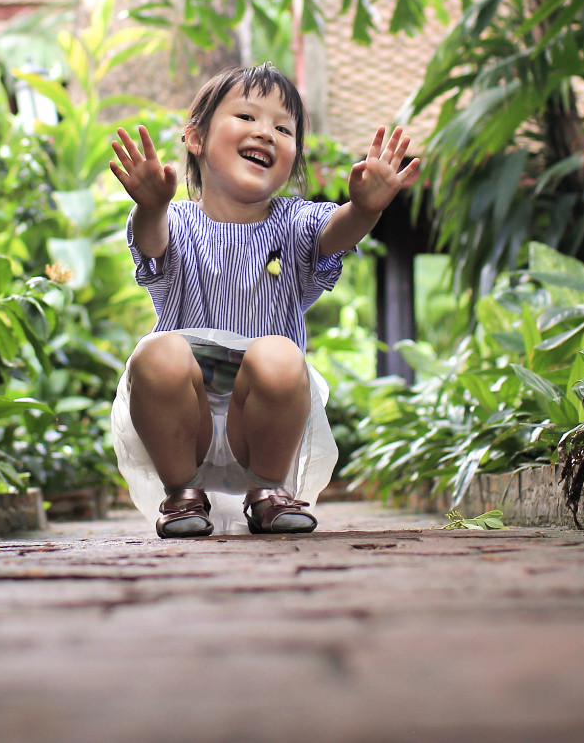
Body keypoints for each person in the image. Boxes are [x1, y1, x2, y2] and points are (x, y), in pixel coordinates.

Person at [107, 63, 423, 537]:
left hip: (264, 427)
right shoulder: (176, 222)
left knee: (278, 352)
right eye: (247, 117)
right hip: (184, 424)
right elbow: (151, 243)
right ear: (195, 138)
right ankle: (183, 497)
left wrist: (365, 208)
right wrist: (150, 205)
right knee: (156, 353)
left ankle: (269, 493)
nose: (266, 133)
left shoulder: (294, 223)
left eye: (282, 127)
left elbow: (336, 232)